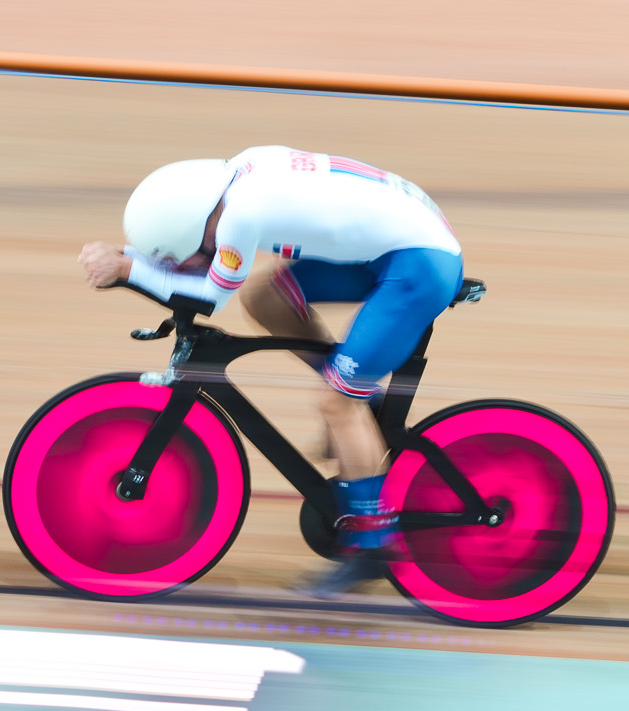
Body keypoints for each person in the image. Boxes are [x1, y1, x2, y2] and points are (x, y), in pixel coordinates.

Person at [78, 145, 464, 597]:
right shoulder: (236, 177)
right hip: (394, 243)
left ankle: (373, 542)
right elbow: (209, 273)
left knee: (336, 404)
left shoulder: (241, 214)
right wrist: (134, 258)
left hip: (418, 264)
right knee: (264, 297)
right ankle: (358, 397)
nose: (189, 265)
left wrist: (127, 269)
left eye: (184, 257)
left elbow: (207, 299)